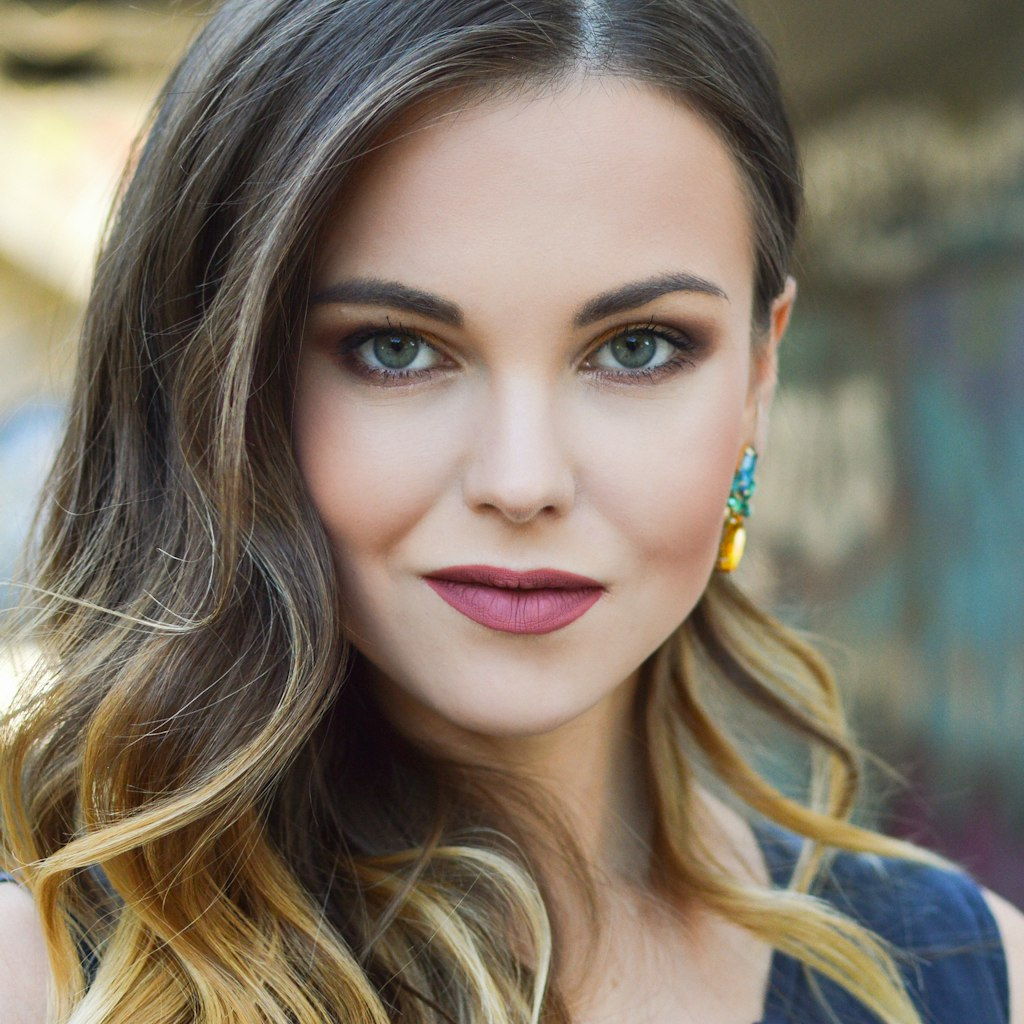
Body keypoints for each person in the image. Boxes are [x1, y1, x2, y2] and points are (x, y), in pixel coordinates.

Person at [1, 1, 1021, 1022]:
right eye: (393, 347)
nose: (523, 479)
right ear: (220, 383)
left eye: (637, 347)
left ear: (759, 374)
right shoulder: (41, 978)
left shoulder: (972, 976)